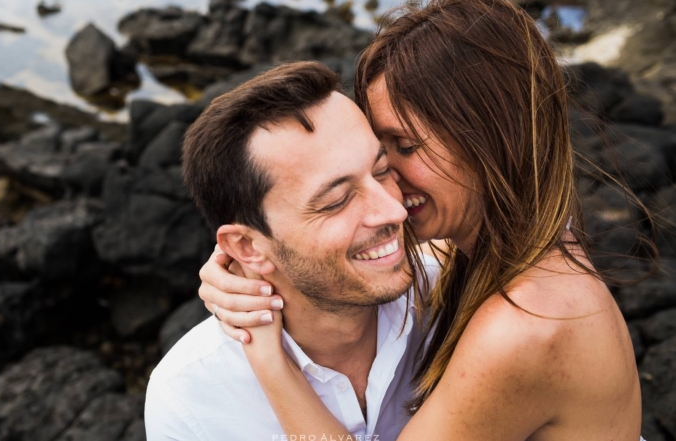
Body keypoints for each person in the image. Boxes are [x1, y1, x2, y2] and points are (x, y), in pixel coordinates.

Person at [197, 0, 646, 439]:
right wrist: (247, 260)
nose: (389, 186)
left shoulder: (526, 324)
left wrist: (272, 363)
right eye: (379, 151)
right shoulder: (536, 242)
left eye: (405, 147)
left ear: (493, 141)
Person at [145, 61, 441, 441]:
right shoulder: (191, 402)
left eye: (382, 171)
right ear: (248, 247)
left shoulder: (454, 302)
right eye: (336, 201)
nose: (394, 210)